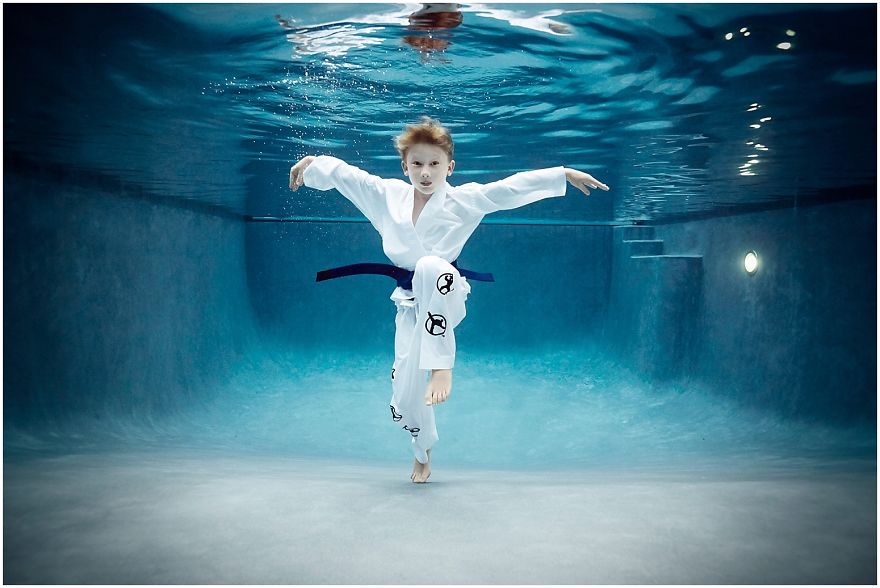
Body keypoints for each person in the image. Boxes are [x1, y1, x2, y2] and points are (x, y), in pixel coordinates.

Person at [288, 117, 609, 483]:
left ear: (449, 167)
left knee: (428, 266)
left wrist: (563, 174)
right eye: (418, 164)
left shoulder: (462, 200)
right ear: (404, 165)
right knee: (405, 397)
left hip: (447, 293)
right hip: (410, 305)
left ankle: (442, 366)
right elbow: (349, 176)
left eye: (435, 164)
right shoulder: (387, 195)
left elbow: (507, 189)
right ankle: (421, 450)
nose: (426, 173)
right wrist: (312, 163)